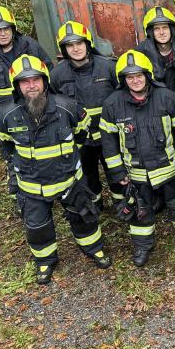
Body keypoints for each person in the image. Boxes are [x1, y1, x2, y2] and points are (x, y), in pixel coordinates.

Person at [0, 55, 109, 284]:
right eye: (25, 81)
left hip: (69, 181)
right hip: (31, 185)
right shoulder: (6, 115)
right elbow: (6, 146)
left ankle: (93, 248)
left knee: (84, 217)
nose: (31, 85)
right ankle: (45, 261)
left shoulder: (67, 107)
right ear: (16, 85)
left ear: (45, 81)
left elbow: (81, 135)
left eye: (35, 79)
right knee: (38, 227)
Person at [100, 50, 175, 266]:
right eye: (130, 76)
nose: (135, 80)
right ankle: (143, 246)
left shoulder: (167, 97)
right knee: (140, 211)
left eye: (139, 75)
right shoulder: (112, 104)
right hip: (136, 173)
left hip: (169, 169)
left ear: (148, 75)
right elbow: (108, 144)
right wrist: (117, 172)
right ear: (123, 80)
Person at [49, 21, 122, 209]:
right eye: (70, 45)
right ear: (64, 49)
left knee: (116, 171)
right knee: (88, 175)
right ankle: (96, 206)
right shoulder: (56, 75)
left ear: (88, 44)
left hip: (109, 135)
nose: (76, 48)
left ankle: (123, 204)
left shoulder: (108, 67)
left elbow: (121, 98)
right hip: (80, 138)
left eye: (79, 43)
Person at [0, 5, 53, 139]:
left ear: (13, 28)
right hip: (6, 116)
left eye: (6, 28)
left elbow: (49, 73)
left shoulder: (29, 45)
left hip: (37, 109)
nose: (3, 33)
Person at [136, 6, 175, 108]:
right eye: (157, 29)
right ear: (150, 32)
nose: (162, 32)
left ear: (172, 29)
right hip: (157, 111)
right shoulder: (139, 54)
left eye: (165, 27)